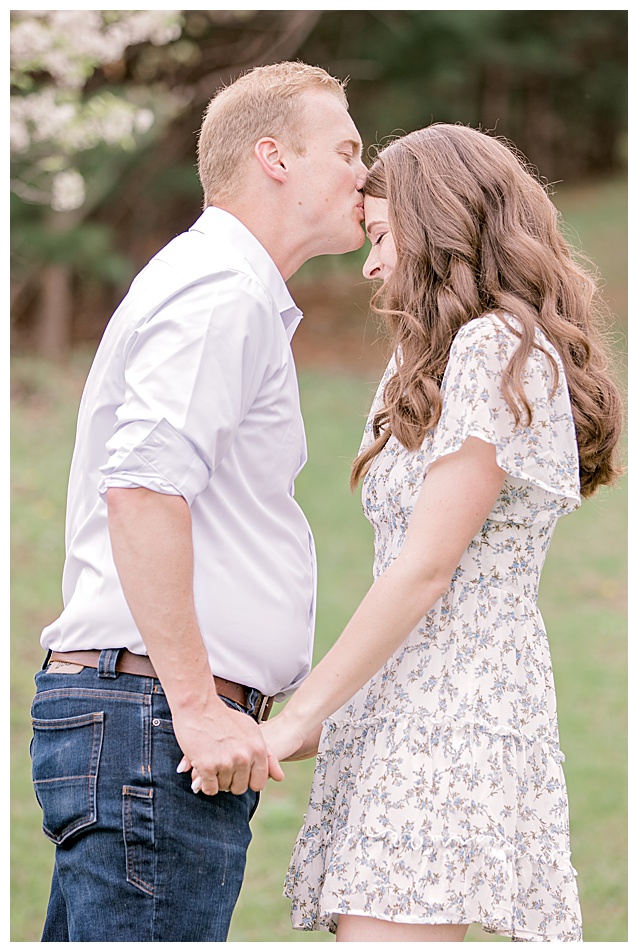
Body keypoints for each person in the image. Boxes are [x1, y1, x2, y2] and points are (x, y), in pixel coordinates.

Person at [29, 62, 368, 941]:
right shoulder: (224, 292)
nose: (364, 174)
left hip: (145, 727)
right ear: (274, 158)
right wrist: (194, 705)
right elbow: (142, 487)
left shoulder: (227, 288)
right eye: (346, 149)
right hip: (156, 729)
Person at [262, 124, 621, 942]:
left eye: (382, 236)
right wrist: (325, 717)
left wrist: (295, 718)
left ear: (437, 229)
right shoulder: (424, 363)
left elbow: (426, 570)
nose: (370, 264)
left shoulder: (498, 348)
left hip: (454, 705)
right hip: (402, 695)